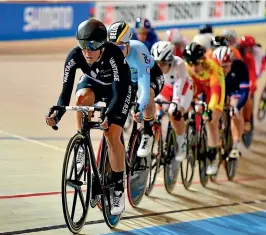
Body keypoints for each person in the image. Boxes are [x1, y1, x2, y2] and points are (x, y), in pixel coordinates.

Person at [45, 19, 132, 216]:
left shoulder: (113, 55)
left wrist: (108, 115)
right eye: (83, 45)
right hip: (94, 85)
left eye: (92, 46)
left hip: (118, 90)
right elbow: (65, 93)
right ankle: (82, 140)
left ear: (102, 45)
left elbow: (119, 94)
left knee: (111, 134)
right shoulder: (75, 56)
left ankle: (118, 190)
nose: (87, 51)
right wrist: (56, 115)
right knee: (81, 97)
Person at [107, 21, 164, 157]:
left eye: (119, 48)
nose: (116, 53)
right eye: (112, 48)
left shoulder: (139, 50)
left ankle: (148, 133)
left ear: (128, 44)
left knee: (148, 94)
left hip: (150, 76)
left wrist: (139, 107)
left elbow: (143, 87)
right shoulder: (109, 53)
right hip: (129, 80)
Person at [183, 42, 225, 175]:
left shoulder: (213, 67)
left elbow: (215, 93)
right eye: (190, 64)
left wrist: (210, 110)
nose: (193, 68)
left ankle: (213, 158)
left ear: (202, 60)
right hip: (197, 86)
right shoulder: (187, 68)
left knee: (210, 121)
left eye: (196, 64)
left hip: (213, 88)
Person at [151, 41, 193, 161]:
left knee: (173, 113)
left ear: (170, 62)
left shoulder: (179, 63)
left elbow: (178, 87)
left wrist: (175, 105)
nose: (159, 67)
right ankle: (159, 143)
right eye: (156, 63)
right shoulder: (153, 66)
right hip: (166, 89)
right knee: (153, 111)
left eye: (163, 64)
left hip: (184, 90)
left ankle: (182, 143)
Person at [213, 46, 249, 158]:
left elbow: (244, 91)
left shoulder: (239, 66)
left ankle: (236, 145)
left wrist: (237, 108)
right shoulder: (211, 67)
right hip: (220, 89)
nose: (222, 70)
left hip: (235, 90)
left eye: (225, 67)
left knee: (234, 112)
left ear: (231, 63)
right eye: (220, 67)